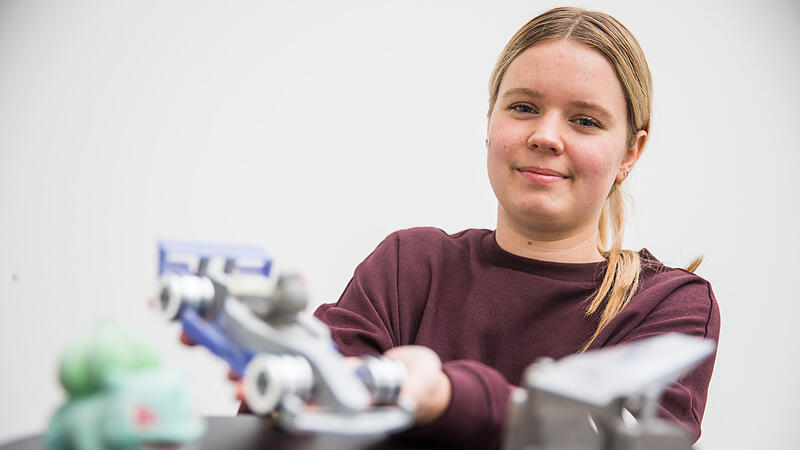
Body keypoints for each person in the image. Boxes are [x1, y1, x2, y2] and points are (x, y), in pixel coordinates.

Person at [256, 6, 720, 449]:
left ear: (630, 153)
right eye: (523, 108)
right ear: (490, 122)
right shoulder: (408, 266)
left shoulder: (668, 307)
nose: (545, 136)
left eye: (584, 120)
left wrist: (446, 398)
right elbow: (301, 419)